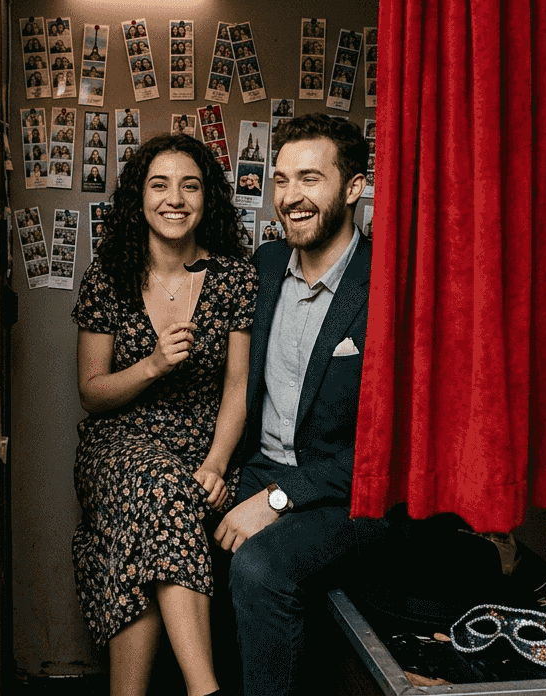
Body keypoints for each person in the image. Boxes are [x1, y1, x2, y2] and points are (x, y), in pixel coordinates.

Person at [211, 113, 397, 695]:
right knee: (179, 528)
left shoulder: (389, 285)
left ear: (354, 187)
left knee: (261, 566)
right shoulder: (264, 268)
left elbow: (393, 443)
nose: (290, 197)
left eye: (310, 179)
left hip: (350, 493)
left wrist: (278, 498)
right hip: (263, 468)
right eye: (282, 179)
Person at [72, 132, 255, 696]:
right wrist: (152, 364)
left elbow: (237, 388)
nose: (174, 198)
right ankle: (207, 689)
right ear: (140, 198)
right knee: (160, 489)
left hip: (204, 449)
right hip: (118, 446)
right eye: (160, 185)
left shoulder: (233, 278)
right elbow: (91, 392)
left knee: (141, 529)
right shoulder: (110, 276)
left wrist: (219, 463)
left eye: (189, 186)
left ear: (207, 200)